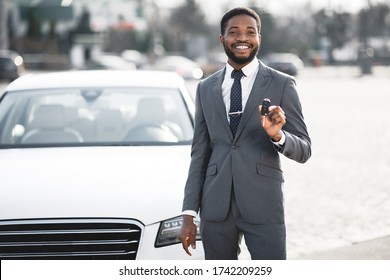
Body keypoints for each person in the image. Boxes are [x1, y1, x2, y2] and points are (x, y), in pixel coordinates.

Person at [178, 7, 311, 260]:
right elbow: (199, 154)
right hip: (215, 208)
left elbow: (304, 149)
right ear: (222, 39)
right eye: (234, 32)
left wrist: (277, 136)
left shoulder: (282, 84)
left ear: (259, 38)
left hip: (263, 205)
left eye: (250, 32)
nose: (242, 38)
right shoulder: (205, 88)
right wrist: (188, 213)